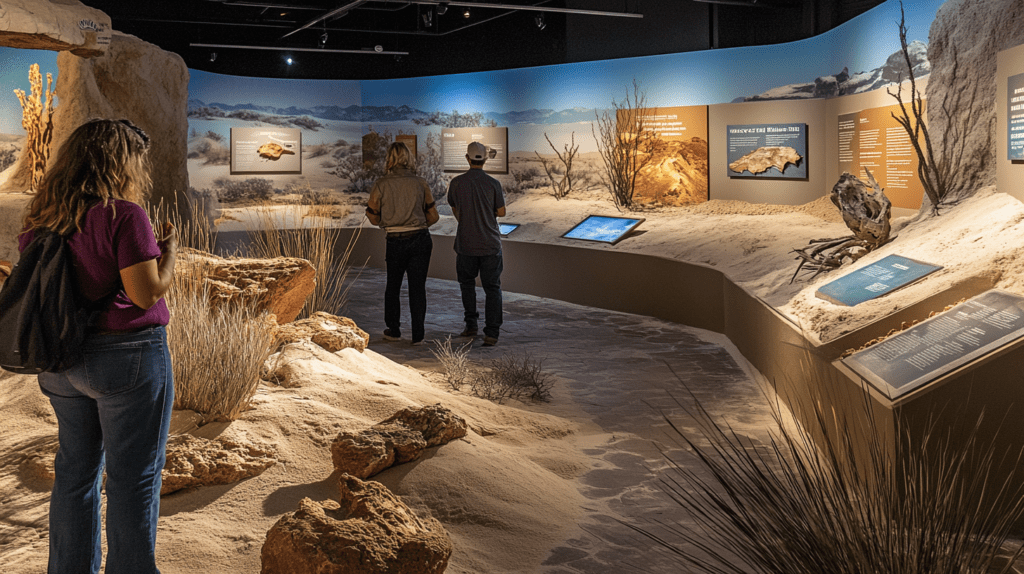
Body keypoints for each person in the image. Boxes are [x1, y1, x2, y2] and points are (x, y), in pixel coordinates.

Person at [18, 118, 177, 574]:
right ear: (120, 163)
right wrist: (169, 253)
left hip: (60, 361)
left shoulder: (40, 219)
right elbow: (145, 293)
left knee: (75, 473)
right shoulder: (123, 215)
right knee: (133, 478)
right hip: (126, 359)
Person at [365, 141, 440, 345]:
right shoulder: (420, 183)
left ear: (389, 159)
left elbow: (373, 217)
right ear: (409, 158)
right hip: (420, 239)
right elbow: (433, 216)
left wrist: (389, 221)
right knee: (418, 288)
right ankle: (418, 335)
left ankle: (394, 329)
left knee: (393, 286)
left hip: (394, 240)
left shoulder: (381, 184)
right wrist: (418, 223)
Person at [447, 141, 506, 347]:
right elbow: (501, 212)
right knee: (492, 288)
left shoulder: (456, 183)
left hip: (466, 243)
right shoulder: (493, 184)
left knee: (467, 285)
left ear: (467, 158)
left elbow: (454, 207)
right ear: (485, 159)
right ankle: (492, 332)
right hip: (490, 244)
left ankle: (471, 325)